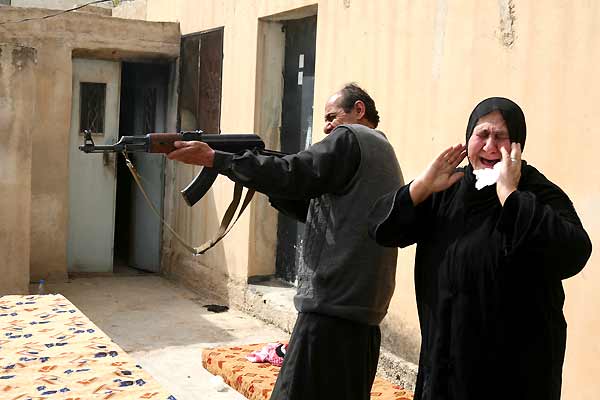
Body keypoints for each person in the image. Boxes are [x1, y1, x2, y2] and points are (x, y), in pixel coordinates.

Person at [167, 83, 404, 399]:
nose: (326, 126)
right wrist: (260, 177)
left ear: (359, 110)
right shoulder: (378, 153)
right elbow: (316, 208)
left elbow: (296, 172)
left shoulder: (352, 138)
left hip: (331, 314)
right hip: (357, 314)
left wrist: (218, 160)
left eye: (333, 116)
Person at [368, 97, 592, 400]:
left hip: (514, 373)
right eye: (481, 135)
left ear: (517, 144)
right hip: (446, 363)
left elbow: (575, 253)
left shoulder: (535, 190)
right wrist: (420, 187)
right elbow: (383, 230)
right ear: (468, 139)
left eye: (500, 137)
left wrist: (510, 196)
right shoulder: (447, 187)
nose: (489, 146)